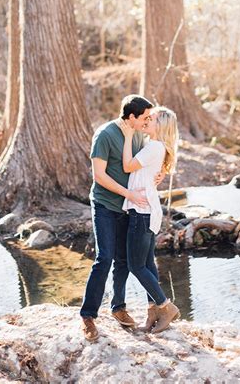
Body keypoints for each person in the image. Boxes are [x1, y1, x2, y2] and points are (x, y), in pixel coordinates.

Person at [80, 94, 154, 342]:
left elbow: (139, 166)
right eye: (144, 117)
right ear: (131, 117)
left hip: (128, 207)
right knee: (105, 257)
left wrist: (157, 176)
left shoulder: (140, 137)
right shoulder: (105, 134)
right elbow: (99, 176)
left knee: (123, 260)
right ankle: (88, 316)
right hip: (105, 204)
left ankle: (118, 307)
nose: (147, 121)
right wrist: (129, 194)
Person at [122, 106, 180, 334]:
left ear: (161, 125)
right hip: (148, 209)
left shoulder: (155, 146)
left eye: (151, 119)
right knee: (146, 264)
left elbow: (128, 166)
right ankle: (153, 310)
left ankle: (166, 306)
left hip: (142, 211)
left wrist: (127, 137)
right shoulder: (156, 146)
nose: (146, 120)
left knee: (136, 265)